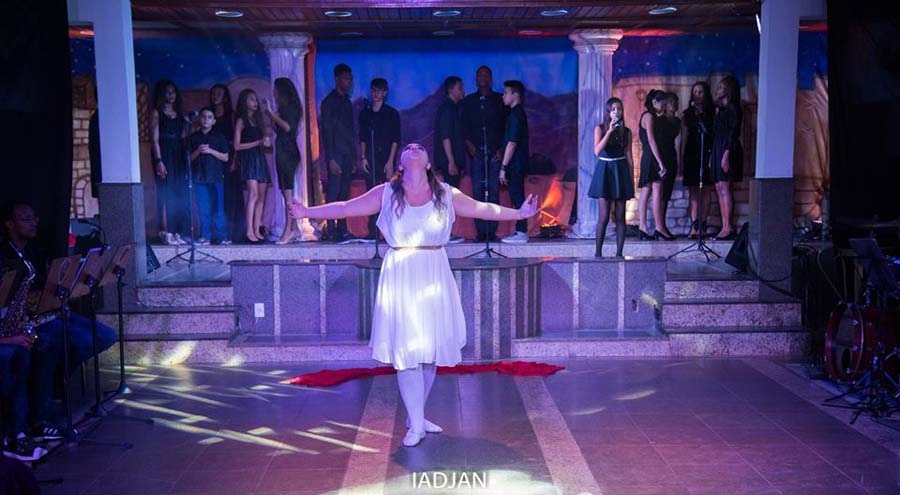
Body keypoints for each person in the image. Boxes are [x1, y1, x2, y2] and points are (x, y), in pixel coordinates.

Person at [288, 143, 539, 447]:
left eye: (420, 147)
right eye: (409, 147)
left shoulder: (445, 193)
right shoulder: (386, 193)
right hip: (401, 274)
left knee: (429, 350)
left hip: (434, 271)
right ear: (401, 164)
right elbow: (344, 207)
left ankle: (415, 415)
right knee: (407, 351)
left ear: (429, 163)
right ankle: (417, 424)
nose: (415, 148)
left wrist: (519, 213)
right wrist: (307, 212)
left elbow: (482, 209)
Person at [0, 201, 117, 441]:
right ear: (9, 224)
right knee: (49, 341)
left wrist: (56, 300)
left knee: (106, 336)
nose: (33, 223)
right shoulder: (4, 256)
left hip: (47, 312)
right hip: (27, 320)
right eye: (26, 219)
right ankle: (39, 416)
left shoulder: (33, 250)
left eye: (34, 218)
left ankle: (57, 378)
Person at [461, 66, 506, 242]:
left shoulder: (499, 100)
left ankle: (492, 232)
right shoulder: (469, 101)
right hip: (476, 153)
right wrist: (469, 145)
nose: (483, 77)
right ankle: (481, 232)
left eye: (486, 75)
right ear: (476, 78)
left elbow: (505, 126)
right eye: (480, 75)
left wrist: (501, 148)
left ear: (491, 78)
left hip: (495, 152)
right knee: (478, 192)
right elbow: (463, 126)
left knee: (493, 192)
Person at [588, 97, 634, 257]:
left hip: (620, 170)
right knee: (604, 215)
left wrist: (631, 179)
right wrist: (609, 131)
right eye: (613, 109)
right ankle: (598, 254)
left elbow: (629, 155)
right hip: (605, 170)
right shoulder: (600, 128)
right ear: (608, 112)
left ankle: (619, 254)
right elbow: (597, 151)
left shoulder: (626, 132)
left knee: (620, 216)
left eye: (619, 109)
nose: (617, 112)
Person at [358, 78, 401, 240]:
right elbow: (362, 137)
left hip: (386, 158)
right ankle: (373, 231)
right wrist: (363, 157)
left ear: (385, 93)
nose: (376, 94)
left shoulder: (391, 114)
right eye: (374, 90)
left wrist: (390, 161)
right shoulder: (365, 114)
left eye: (379, 90)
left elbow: (395, 139)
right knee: (371, 194)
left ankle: (389, 231)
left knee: (388, 194)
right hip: (371, 158)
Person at [263, 78, 304, 245]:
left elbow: (288, 128)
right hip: (281, 149)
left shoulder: (293, 107)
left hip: (288, 151)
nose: (274, 92)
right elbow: (278, 128)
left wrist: (271, 113)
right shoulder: (283, 108)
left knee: (287, 193)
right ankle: (294, 229)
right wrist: (273, 114)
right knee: (285, 192)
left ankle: (288, 231)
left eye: (275, 89)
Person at [320, 63, 357, 242]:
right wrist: (331, 158)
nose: (349, 82)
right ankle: (331, 229)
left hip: (347, 154)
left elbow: (350, 132)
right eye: (345, 78)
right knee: (333, 192)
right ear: (337, 79)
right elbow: (327, 132)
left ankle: (342, 229)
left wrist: (354, 157)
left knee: (344, 193)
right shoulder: (329, 102)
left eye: (350, 79)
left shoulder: (347, 103)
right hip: (336, 154)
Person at [151, 80, 188, 246]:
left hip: (177, 153)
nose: (171, 95)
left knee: (178, 192)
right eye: (167, 92)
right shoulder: (157, 112)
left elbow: (183, 136)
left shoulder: (180, 114)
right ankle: (165, 230)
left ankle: (177, 231)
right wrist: (159, 160)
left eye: (173, 91)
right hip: (164, 152)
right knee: (165, 192)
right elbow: (155, 139)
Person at [234, 89, 272, 243]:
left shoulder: (258, 120)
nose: (255, 102)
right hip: (248, 159)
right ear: (244, 102)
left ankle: (257, 230)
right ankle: (249, 230)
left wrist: (266, 142)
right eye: (251, 99)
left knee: (262, 197)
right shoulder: (241, 121)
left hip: (259, 158)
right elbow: (237, 146)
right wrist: (258, 142)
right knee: (253, 194)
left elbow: (264, 144)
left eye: (255, 100)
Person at [188, 108, 230, 245]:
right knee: (203, 208)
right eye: (204, 116)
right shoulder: (193, 137)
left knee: (218, 209)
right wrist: (198, 151)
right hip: (200, 178)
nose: (206, 119)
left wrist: (211, 151)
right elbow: (188, 159)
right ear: (200, 119)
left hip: (216, 177)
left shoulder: (219, 137)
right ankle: (205, 236)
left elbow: (225, 157)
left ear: (214, 121)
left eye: (209, 117)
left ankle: (221, 237)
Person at [679, 81, 715, 239]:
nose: (697, 95)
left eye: (700, 92)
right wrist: (681, 159)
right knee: (693, 190)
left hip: (707, 153)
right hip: (692, 153)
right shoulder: (687, 114)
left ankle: (703, 225)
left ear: (706, 94)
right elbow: (684, 137)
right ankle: (694, 226)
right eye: (695, 92)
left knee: (706, 189)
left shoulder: (712, 113)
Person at [636, 90, 674, 240]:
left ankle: (643, 227)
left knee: (647, 191)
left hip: (649, 156)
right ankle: (659, 227)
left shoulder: (651, 117)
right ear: (654, 102)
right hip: (652, 156)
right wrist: (660, 163)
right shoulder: (649, 116)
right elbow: (652, 141)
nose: (664, 106)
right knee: (656, 189)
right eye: (662, 103)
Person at [710, 75, 744, 240]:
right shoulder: (720, 110)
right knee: (719, 187)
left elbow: (733, 133)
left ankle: (728, 227)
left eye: (721, 87)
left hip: (728, 149)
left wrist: (725, 156)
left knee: (725, 187)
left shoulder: (734, 108)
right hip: (718, 148)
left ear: (729, 89)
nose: (718, 90)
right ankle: (724, 226)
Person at [499, 80, 531, 244]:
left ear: (515, 95)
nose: (503, 96)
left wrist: (503, 167)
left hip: (515, 164)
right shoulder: (515, 113)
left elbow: (512, 143)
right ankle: (520, 230)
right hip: (517, 163)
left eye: (506, 93)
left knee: (517, 196)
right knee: (516, 195)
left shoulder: (516, 115)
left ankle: (521, 231)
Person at [209, 84, 239, 245]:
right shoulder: (208, 115)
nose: (215, 96)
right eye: (213, 93)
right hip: (212, 158)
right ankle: (215, 232)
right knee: (214, 196)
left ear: (225, 97)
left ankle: (230, 233)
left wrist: (235, 160)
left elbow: (236, 139)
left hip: (228, 156)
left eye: (219, 93)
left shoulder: (231, 115)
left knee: (229, 196)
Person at [433, 76, 466, 190]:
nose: (463, 91)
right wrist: (451, 161)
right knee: (450, 193)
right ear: (450, 90)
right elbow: (445, 136)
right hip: (449, 162)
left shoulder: (454, 108)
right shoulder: (448, 109)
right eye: (460, 88)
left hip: (453, 161)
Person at [659, 92, 681, 231]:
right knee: (661, 193)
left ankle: (663, 224)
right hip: (662, 156)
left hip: (671, 156)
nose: (674, 104)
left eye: (675, 101)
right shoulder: (660, 120)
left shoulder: (677, 121)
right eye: (671, 101)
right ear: (666, 105)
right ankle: (659, 225)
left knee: (666, 193)